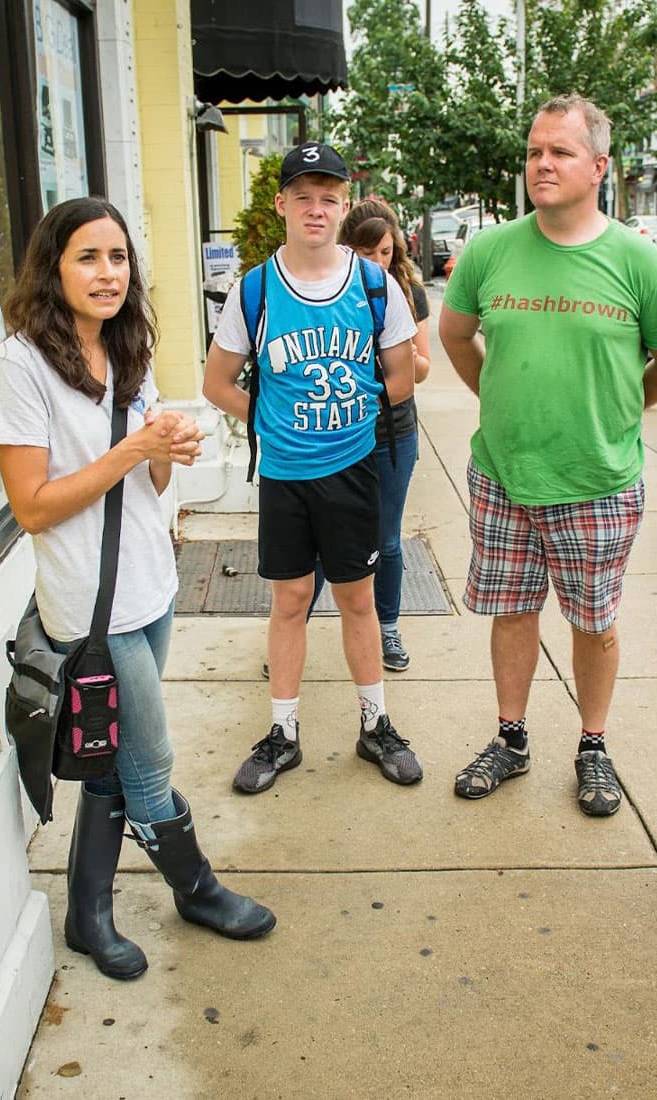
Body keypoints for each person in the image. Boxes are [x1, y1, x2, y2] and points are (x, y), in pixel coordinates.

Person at [0, 196, 275, 982]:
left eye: (118, 258)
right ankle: (198, 888)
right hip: (90, 606)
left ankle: (87, 916)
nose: (107, 274)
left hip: (150, 584)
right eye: (88, 257)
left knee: (109, 760)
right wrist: (134, 448)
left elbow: (146, 480)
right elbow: (32, 505)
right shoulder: (19, 367)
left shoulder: (123, 348)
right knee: (149, 762)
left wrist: (169, 447)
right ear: (52, 267)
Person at [439, 94, 657, 816]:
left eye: (559, 152)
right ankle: (512, 738)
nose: (541, 164)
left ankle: (593, 745)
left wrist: (625, 407)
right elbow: (455, 334)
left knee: (593, 623)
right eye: (535, 151)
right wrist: (496, 399)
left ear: (598, 165)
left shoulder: (636, 259)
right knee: (511, 613)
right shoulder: (491, 250)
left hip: (596, 480)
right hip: (503, 474)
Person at [203, 142, 422, 796]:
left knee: (357, 598)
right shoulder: (258, 288)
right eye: (304, 196)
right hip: (286, 477)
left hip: (355, 467)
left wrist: (353, 412)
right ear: (282, 204)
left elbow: (403, 374)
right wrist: (267, 420)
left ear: (344, 204)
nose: (317, 209)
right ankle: (284, 732)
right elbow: (217, 383)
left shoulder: (374, 284)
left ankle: (375, 724)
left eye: (329, 197)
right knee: (291, 599)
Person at [339, 199, 431, 671]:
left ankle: (388, 629)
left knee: (387, 539)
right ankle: (291, 626)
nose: (377, 263)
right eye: (367, 252)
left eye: (385, 253)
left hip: (393, 432)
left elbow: (424, 367)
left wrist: (401, 354)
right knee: (325, 536)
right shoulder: (329, 291)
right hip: (338, 430)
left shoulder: (407, 292)